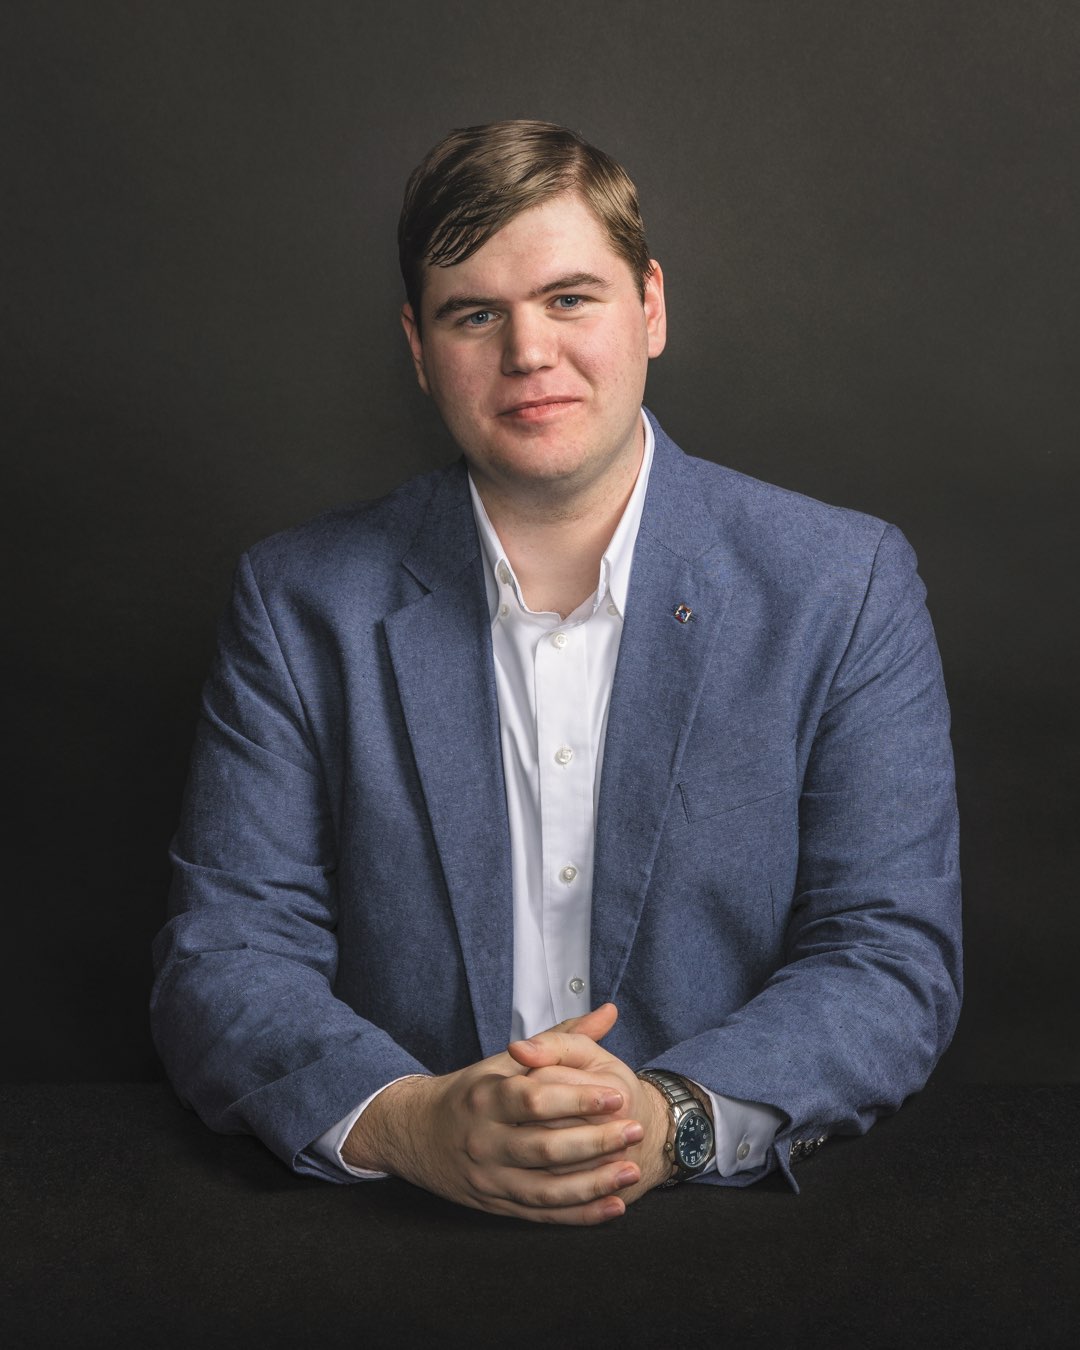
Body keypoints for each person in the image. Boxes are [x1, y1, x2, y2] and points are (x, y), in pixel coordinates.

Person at [151, 119, 961, 1226]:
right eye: (474, 314)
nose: (527, 352)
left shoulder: (843, 583)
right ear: (419, 344)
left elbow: (888, 955)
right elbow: (227, 957)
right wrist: (410, 1119)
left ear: (651, 308)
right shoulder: (296, 601)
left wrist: (666, 1120)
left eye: (570, 298)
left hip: (734, 1235)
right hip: (391, 1235)